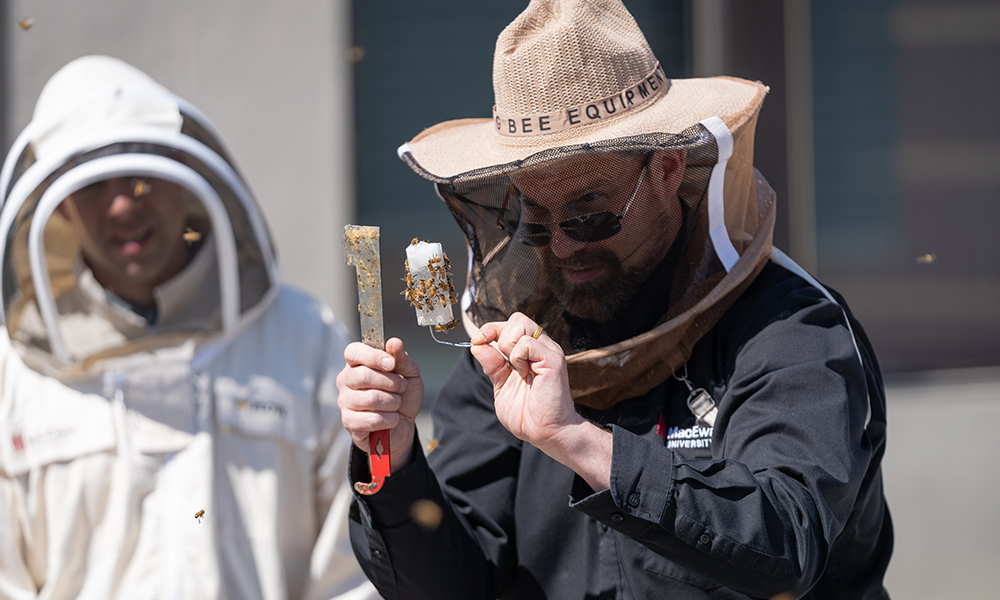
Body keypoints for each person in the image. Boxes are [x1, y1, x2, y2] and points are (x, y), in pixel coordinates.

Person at [337, 1, 892, 598]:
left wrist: (577, 441)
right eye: (537, 221)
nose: (564, 247)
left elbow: (785, 543)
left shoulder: (790, 328)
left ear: (668, 169)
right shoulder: (510, 340)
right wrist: (393, 459)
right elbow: (456, 586)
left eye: (589, 213)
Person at [0, 56, 379, 600]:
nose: (124, 203)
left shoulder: (304, 337)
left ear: (184, 168)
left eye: (141, 172)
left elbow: (356, 567)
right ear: (58, 207)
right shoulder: (15, 374)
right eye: (93, 182)